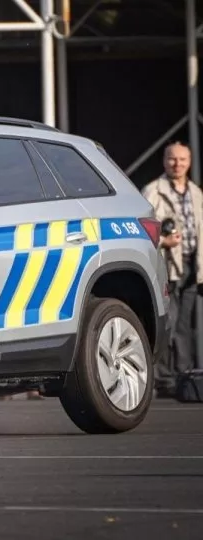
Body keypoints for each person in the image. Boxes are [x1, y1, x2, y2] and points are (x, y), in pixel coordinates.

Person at [142, 141, 203, 396]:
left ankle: (185, 378)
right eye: (172, 159)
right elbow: (143, 228)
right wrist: (164, 242)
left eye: (182, 160)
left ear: (189, 162)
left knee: (185, 326)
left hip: (191, 266)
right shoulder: (152, 190)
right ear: (164, 161)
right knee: (168, 322)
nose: (177, 164)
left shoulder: (196, 192)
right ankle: (164, 381)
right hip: (166, 264)